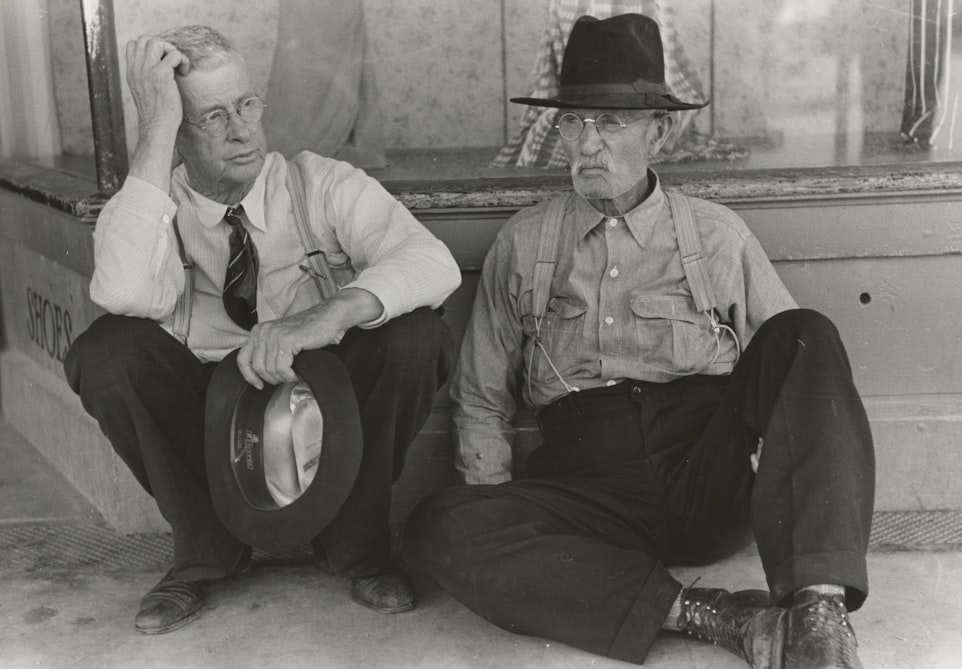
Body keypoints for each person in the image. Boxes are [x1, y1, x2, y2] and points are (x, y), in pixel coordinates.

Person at [404, 13, 873, 669]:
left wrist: (775, 485)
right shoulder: (524, 243)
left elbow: (796, 381)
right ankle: (714, 613)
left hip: (706, 475)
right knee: (438, 524)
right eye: (573, 121)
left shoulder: (716, 235)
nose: (587, 144)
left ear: (659, 131)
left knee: (806, 336)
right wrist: (508, 532)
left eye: (611, 123)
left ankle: (817, 615)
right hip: (591, 499)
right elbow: (481, 401)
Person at [64, 25, 460, 635]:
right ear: (176, 133)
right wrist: (154, 130)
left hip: (325, 397)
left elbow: (434, 263)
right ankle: (207, 555)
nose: (243, 129)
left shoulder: (318, 183)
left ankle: (356, 548)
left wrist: (321, 316)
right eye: (213, 117)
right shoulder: (152, 203)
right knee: (107, 353)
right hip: (210, 408)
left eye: (247, 104)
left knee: (416, 337)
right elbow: (118, 291)